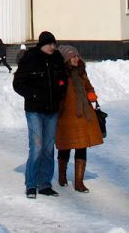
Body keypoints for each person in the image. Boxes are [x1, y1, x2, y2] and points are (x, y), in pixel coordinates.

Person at [13, 30, 67, 199]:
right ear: (42, 45)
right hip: (35, 110)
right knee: (36, 147)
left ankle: (45, 183)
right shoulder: (30, 59)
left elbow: (63, 80)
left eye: (54, 44)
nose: (53, 47)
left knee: (48, 148)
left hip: (52, 110)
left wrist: (59, 92)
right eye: (50, 44)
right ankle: (31, 184)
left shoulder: (57, 59)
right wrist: (34, 95)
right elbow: (18, 83)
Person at [55, 45, 103, 193]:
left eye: (77, 56)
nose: (76, 59)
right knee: (65, 147)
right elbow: (57, 94)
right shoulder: (61, 74)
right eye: (72, 57)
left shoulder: (82, 72)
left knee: (81, 147)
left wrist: (91, 94)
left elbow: (88, 86)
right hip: (66, 117)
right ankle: (62, 177)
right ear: (66, 60)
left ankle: (79, 182)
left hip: (83, 115)